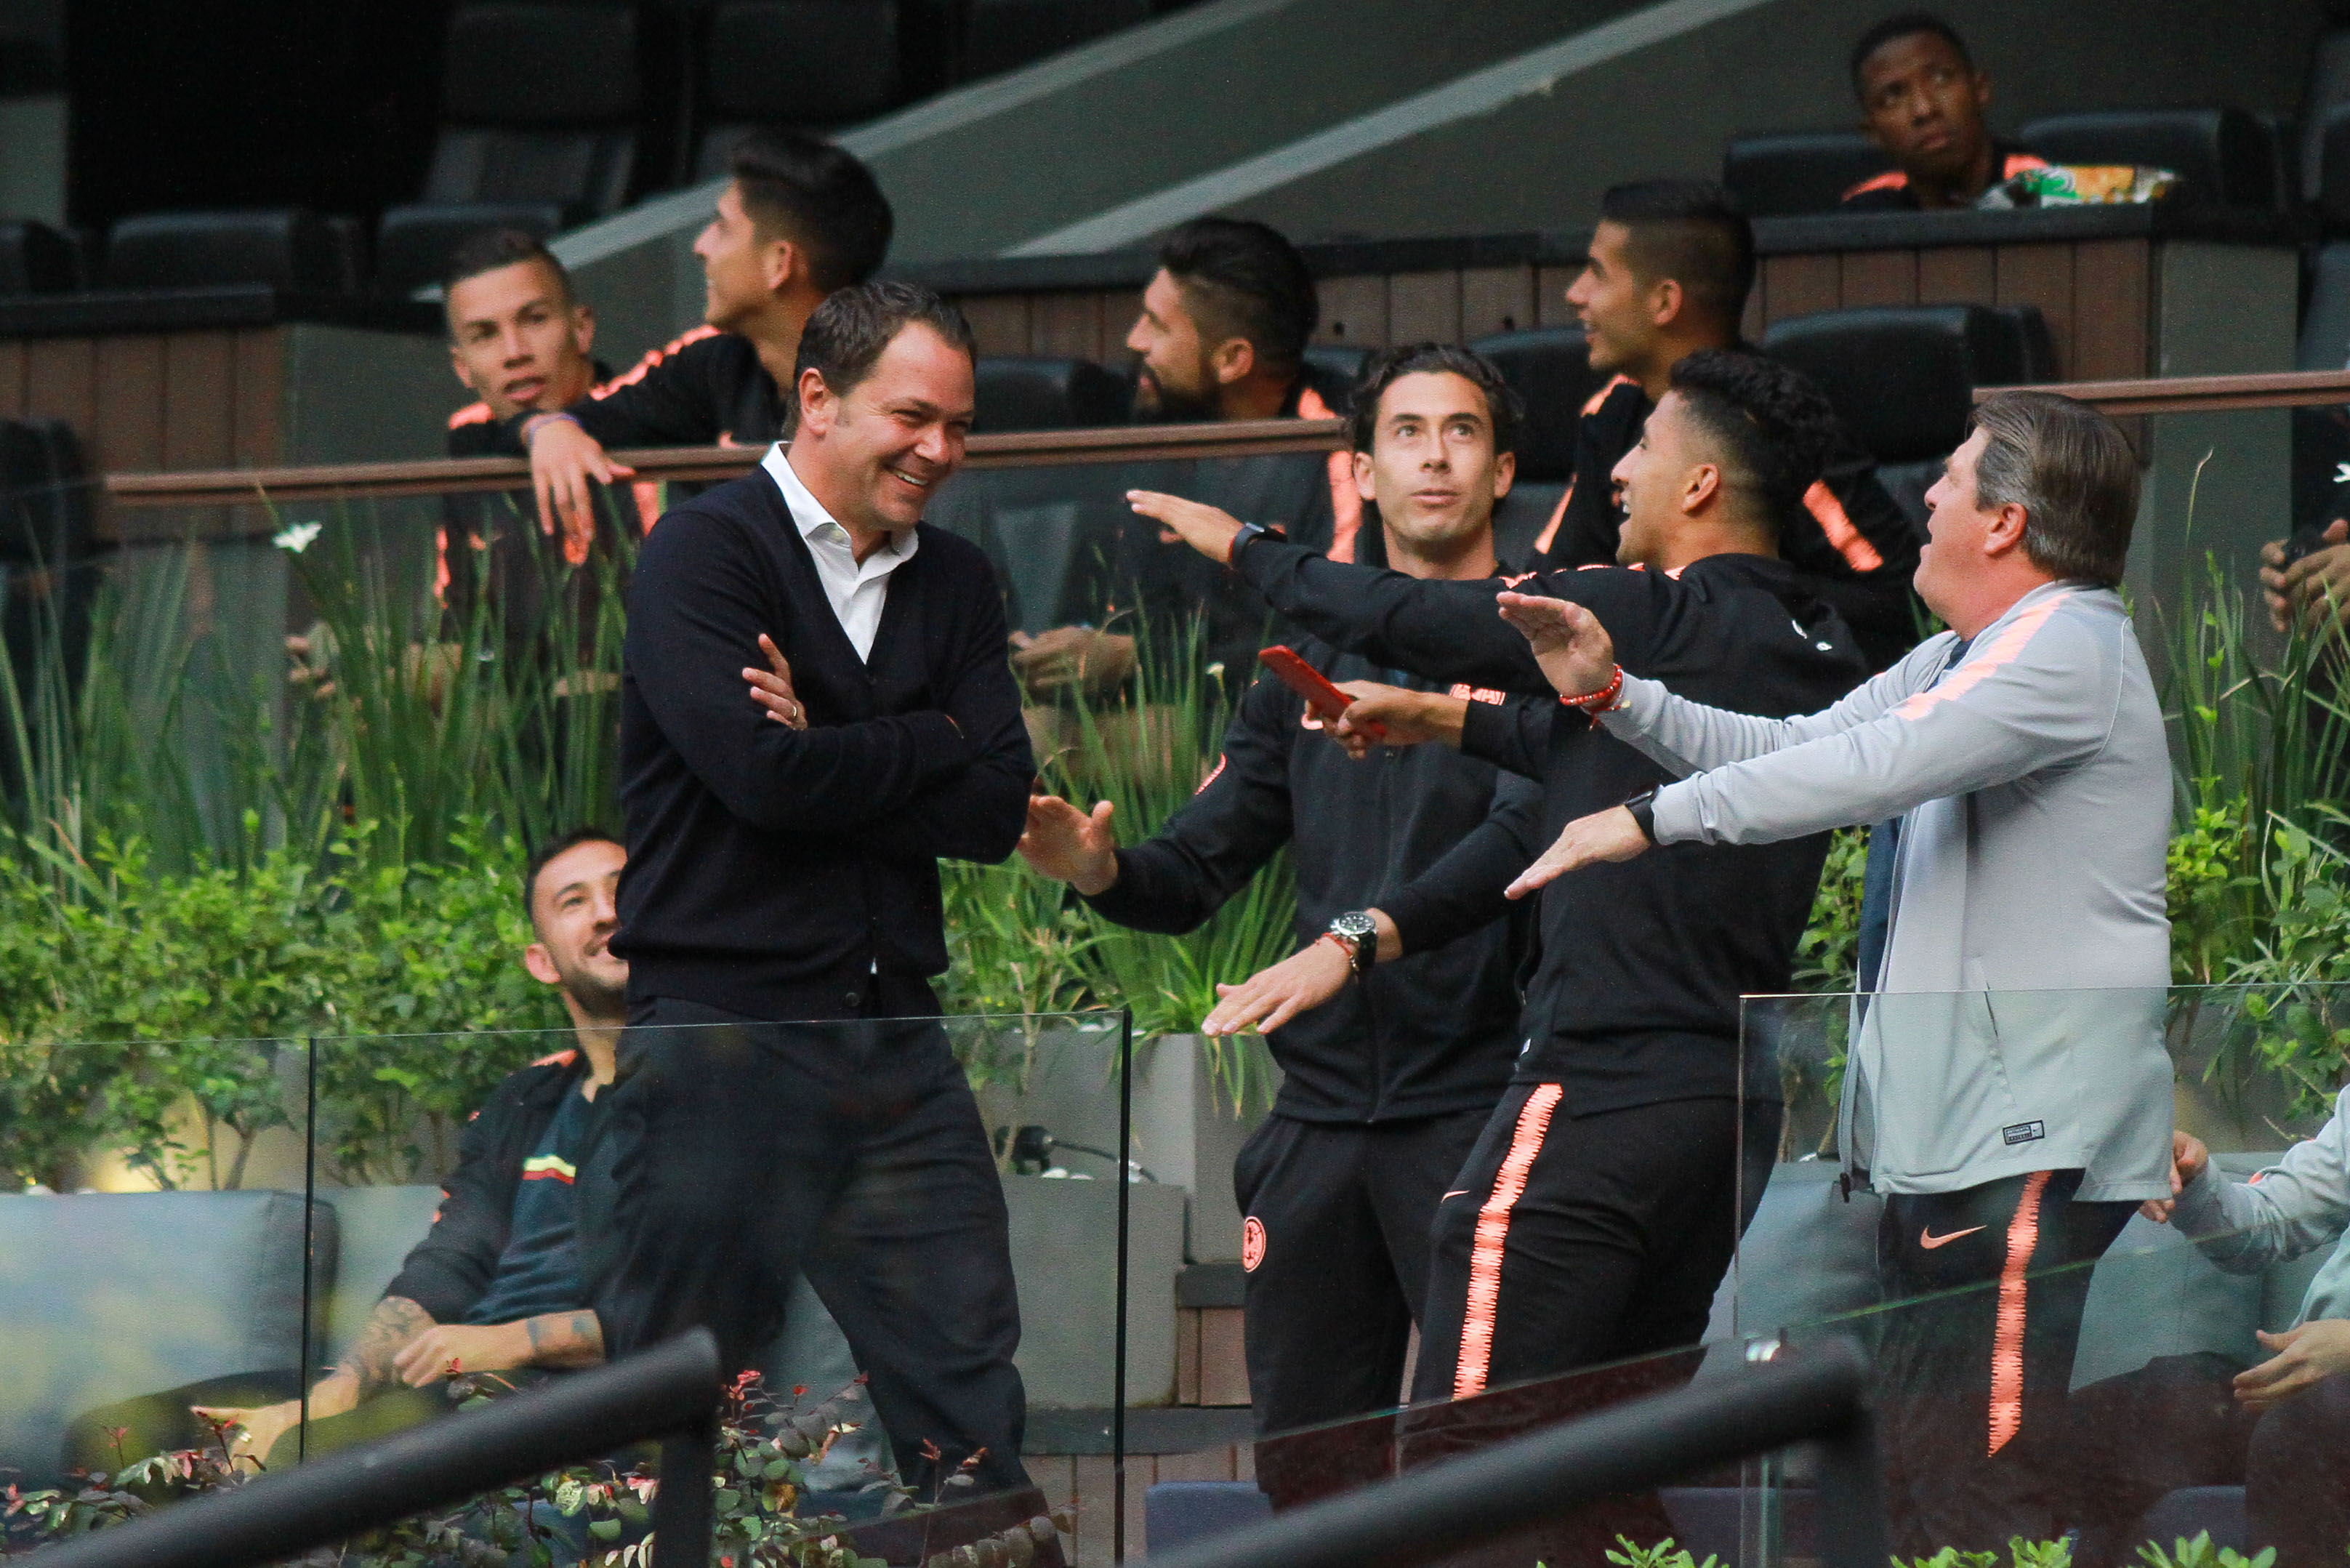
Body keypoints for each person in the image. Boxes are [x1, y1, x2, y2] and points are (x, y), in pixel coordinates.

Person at [1500, 389, 2171, 1556]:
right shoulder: (1964, 653)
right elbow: (1799, 747)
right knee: (1919, 1484)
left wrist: (1648, 820)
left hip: (2026, 1146)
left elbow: (1872, 768)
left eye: (1952, 476)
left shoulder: (2068, 642)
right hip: (1953, 1148)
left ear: (2006, 522)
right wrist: (1617, 698)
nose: (1926, 493)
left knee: (1984, 1483)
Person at [1138, 350, 1869, 1407]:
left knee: (1467, 1454)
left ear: (1701, 485)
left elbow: (1412, 617)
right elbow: (1618, 746)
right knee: (1610, 1446)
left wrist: (1251, 550)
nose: (1617, 471)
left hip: (1598, 1083)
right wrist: (1441, 718)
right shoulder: (1816, 643)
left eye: (1645, 447)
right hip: (1725, 1106)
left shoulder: (1646, 609)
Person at [1015, 344, 1540, 1505]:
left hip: (1481, 1109)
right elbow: (1195, 870)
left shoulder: (1547, 640)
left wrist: (1355, 939)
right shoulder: (1298, 672)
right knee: (1309, 1474)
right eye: (1408, 433)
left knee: (1501, 1470)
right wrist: (1102, 873)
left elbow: (1518, 852)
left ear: (1505, 471)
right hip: (1315, 1122)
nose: (1435, 457)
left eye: (1461, 433)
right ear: (1362, 467)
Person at [600, 281, 1042, 1523]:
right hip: (722, 1036)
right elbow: (756, 777)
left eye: (960, 426)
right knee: (674, 1397)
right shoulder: (705, 548)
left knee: (966, 1392)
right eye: (914, 416)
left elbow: (998, 807)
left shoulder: (952, 577)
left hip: (894, 1039)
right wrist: (932, 736)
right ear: (816, 398)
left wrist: (836, 730)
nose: (940, 451)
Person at [68, 829, 632, 1475]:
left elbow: (679, 1311)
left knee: (297, 1461)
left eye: (619, 890)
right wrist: (337, 1390)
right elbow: (449, 1263)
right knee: (111, 1439)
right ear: (541, 961)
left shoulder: (696, 1102)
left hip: (570, 1391)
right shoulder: (524, 1102)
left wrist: (502, 1343)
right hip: (453, 1379)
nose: (605, 913)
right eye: (574, 901)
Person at [1535, 180, 1923, 668]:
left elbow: (1895, 599)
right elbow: (1552, 576)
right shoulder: (1612, 410)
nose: (1575, 293)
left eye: (1597, 273)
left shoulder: (1769, 419)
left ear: (1662, 302)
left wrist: (1726, 596)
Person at [1007, 217, 1357, 696]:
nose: (1134, 340)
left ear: (1232, 359)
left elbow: (1334, 644)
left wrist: (1138, 660)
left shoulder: (1337, 447)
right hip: (1171, 709)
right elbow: (1131, 613)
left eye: (1157, 325)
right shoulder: (1163, 434)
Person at [505, 131, 893, 555]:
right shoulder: (715, 363)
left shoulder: (893, 384)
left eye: (723, 228)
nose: (700, 246)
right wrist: (548, 428)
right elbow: (578, 421)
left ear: (778, 263)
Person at [1840, 13, 2047, 211]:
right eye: (1893, 98)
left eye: (1941, 79)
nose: (1924, 110)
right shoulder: (1863, 214)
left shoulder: (2050, 190)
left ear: (1980, 90)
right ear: (1872, 133)